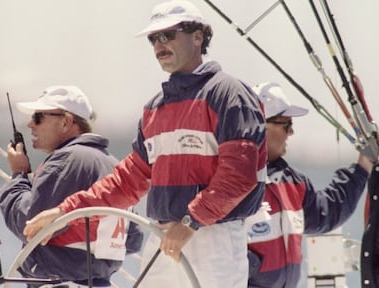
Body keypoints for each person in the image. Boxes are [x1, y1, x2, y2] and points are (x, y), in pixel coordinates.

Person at [23, 1, 267, 287]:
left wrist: (190, 222)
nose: (159, 45)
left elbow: (239, 176)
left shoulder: (229, 94)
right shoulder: (155, 109)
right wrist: (65, 212)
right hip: (164, 235)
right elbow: (127, 181)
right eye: (154, 38)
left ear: (198, 36)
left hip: (215, 237)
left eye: (168, 35)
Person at [0, 85, 143, 288]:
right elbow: (133, 239)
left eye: (38, 117)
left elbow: (29, 225)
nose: (30, 124)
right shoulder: (114, 165)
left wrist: (19, 175)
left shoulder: (66, 159)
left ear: (66, 121)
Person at [246, 82, 372, 288]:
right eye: (287, 125)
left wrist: (363, 165)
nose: (291, 133)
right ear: (260, 127)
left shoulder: (293, 182)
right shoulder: (232, 181)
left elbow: (326, 212)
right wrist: (251, 269)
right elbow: (215, 246)